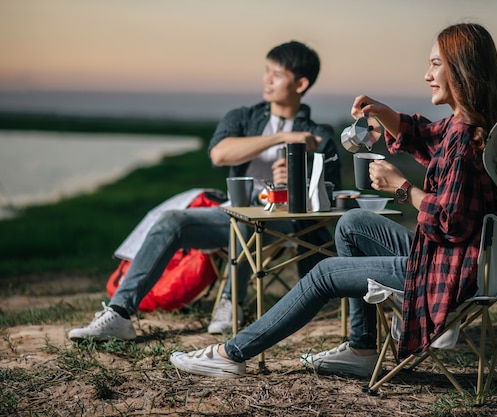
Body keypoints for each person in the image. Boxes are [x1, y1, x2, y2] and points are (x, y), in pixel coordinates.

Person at [169, 22, 497, 378]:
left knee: (325, 273)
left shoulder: (464, 144)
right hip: (461, 261)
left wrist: (402, 188)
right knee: (351, 223)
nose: (427, 74)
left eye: (436, 65)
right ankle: (362, 348)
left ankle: (231, 354)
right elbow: (426, 136)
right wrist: (382, 112)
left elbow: (449, 222)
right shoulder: (474, 127)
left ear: (462, 69)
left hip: (443, 271)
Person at [68, 40, 342, 340]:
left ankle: (229, 302)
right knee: (174, 220)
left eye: (276, 74)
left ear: (300, 83)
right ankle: (119, 313)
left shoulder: (319, 136)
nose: (267, 79)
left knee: (247, 219)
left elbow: (332, 197)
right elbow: (219, 154)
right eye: (266, 71)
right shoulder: (244, 117)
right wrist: (281, 138)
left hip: (288, 222)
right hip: (236, 211)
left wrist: (300, 181)